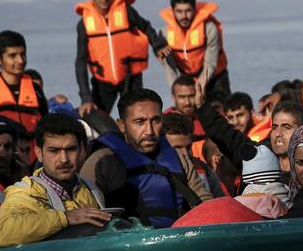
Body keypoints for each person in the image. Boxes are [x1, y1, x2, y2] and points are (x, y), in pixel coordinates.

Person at [80, 88, 211, 228]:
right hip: (127, 240)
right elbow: (85, 216)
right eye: (140, 122)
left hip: (178, 237)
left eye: (156, 121)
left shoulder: (177, 158)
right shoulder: (101, 161)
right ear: (122, 126)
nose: (149, 131)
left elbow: (205, 203)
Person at [0, 114, 110, 246]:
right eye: (54, 151)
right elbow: (4, 233)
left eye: (70, 149)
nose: (64, 159)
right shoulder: (25, 193)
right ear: (39, 153)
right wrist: (65, 217)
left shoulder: (91, 189)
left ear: (82, 151)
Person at [75, 0, 169, 116]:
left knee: (137, 116)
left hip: (130, 77)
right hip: (102, 82)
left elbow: (146, 27)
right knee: (93, 118)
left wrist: (158, 46)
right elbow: (80, 62)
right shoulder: (84, 24)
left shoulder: (126, 11)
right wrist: (86, 97)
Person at [159, 0, 231, 105]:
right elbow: (169, 67)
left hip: (215, 77)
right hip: (188, 80)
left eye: (188, 11)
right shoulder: (165, 34)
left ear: (195, 9)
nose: (184, 16)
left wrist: (199, 88)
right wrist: (176, 90)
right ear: (172, 11)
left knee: (219, 108)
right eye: (179, 11)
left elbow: (210, 64)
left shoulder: (209, 29)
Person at [0, 30, 46, 132]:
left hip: (31, 142)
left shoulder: (36, 89)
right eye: (13, 56)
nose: (20, 60)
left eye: (23, 54)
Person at [165, 75, 208, 159]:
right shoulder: (162, 124)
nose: (187, 102)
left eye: (191, 96)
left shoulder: (207, 122)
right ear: (173, 97)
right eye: (182, 97)